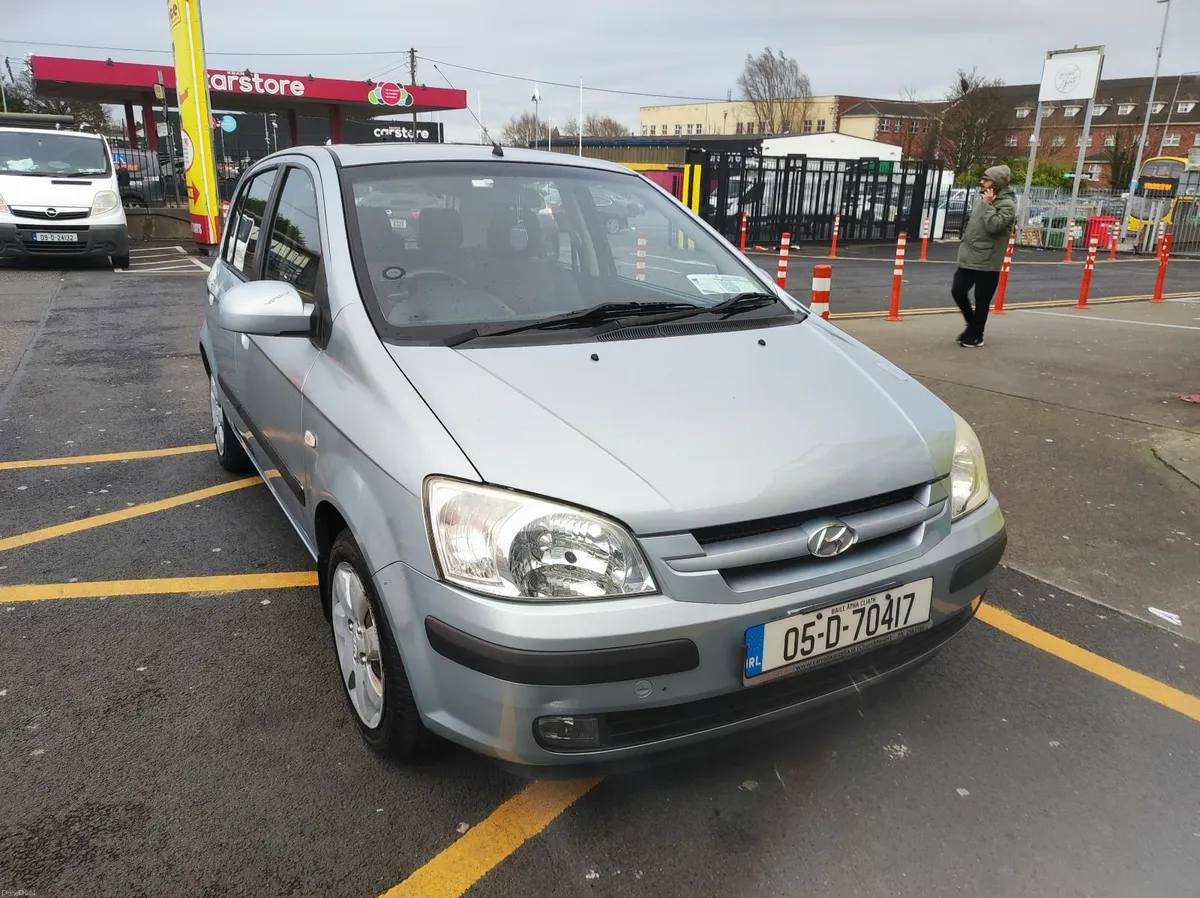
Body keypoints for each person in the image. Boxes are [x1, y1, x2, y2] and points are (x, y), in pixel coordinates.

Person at [952, 164, 1015, 347]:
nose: (982, 181)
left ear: (995, 184)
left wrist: (988, 205)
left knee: (982, 300)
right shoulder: (983, 199)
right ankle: (973, 327)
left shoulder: (1007, 205)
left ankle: (975, 335)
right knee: (958, 290)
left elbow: (994, 227)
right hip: (970, 255)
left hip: (988, 260)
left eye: (985, 179)